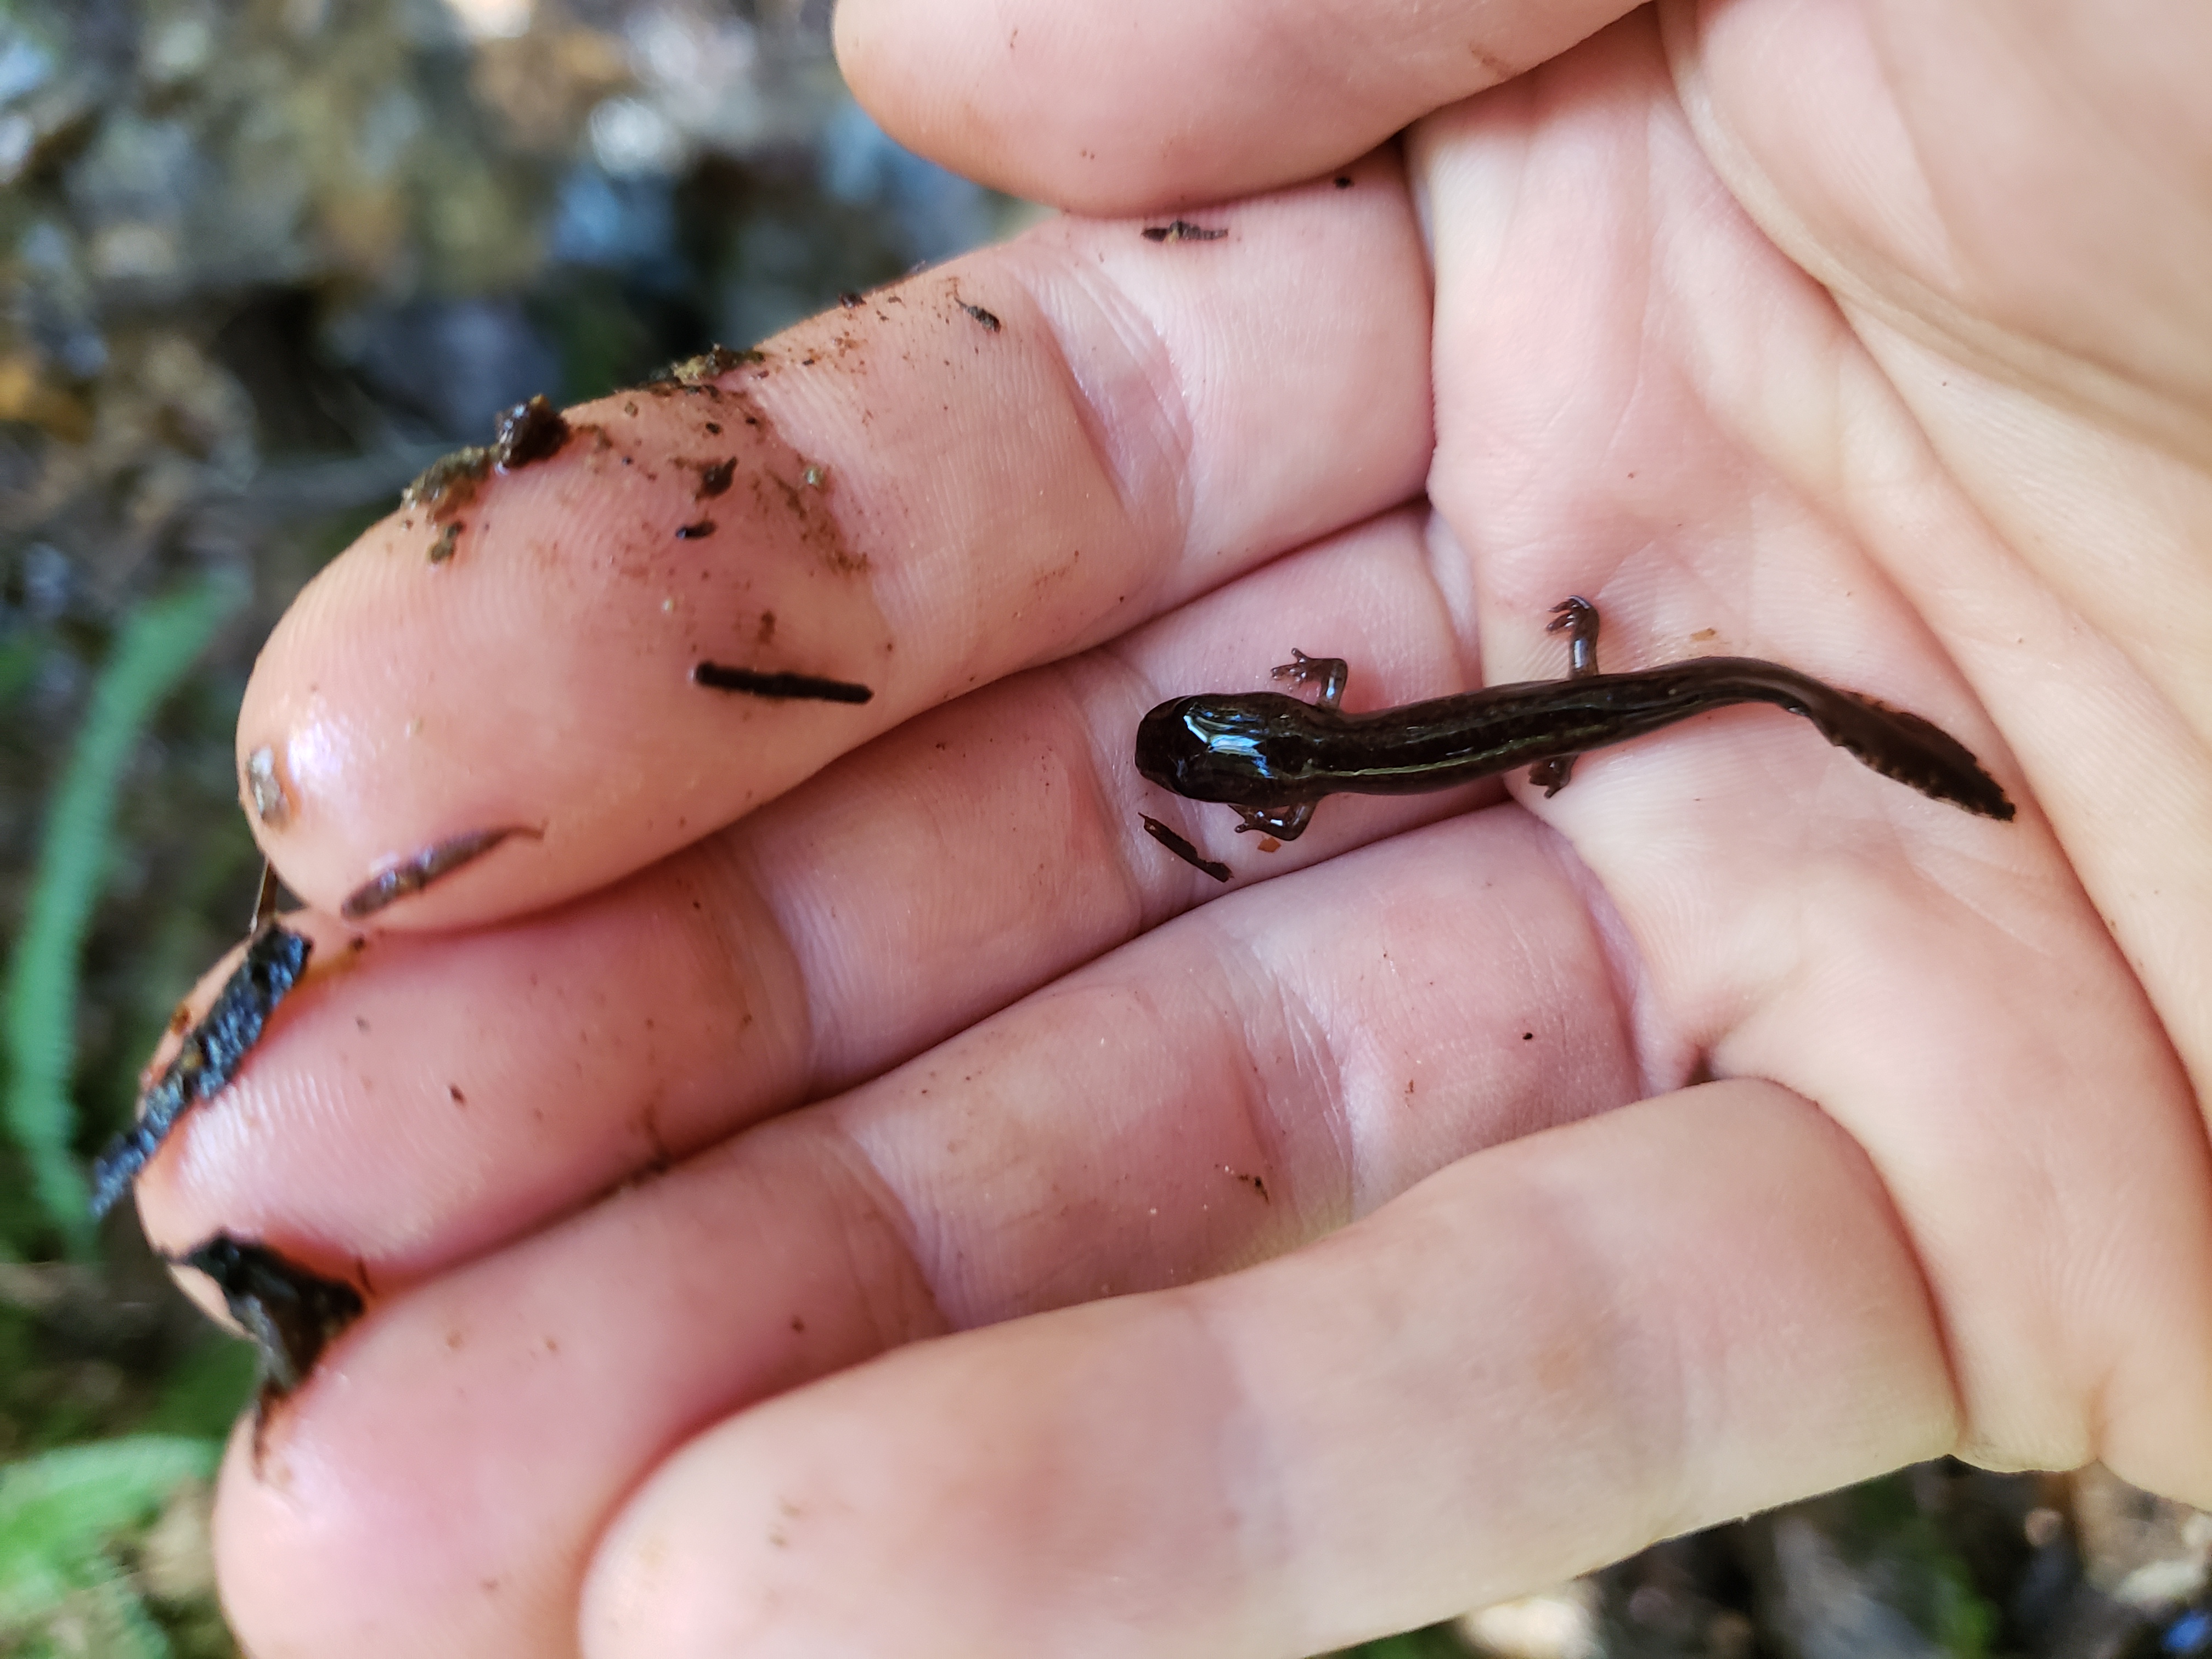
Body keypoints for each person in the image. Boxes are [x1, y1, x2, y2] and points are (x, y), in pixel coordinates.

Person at [138, 1, 2212, 1653]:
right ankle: (1787, 708)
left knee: (1685, 689)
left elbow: (1314, 746)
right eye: (1226, 755)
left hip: (1567, 698)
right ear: (1271, 758)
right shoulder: (1314, 738)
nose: (1215, 747)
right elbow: (1319, 726)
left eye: (1216, 752)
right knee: (1678, 689)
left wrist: (1340, 769)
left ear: (1260, 766)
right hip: (1558, 693)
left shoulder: (1308, 765)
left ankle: (1792, 709)